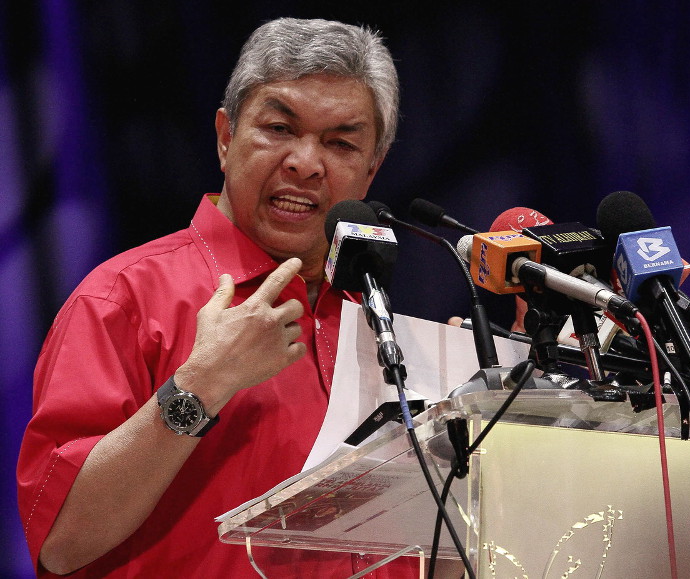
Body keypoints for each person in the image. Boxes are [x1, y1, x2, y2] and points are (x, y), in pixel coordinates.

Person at [17, 17, 422, 577]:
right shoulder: (122, 300)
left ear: (372, 168)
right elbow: (61, 543)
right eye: (279, 128)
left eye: (340, 143)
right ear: (225, 137)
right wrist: (202, 385)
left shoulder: (378, 328)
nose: (305, 163)